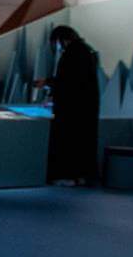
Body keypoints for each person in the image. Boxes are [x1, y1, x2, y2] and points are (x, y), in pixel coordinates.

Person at [40, 26, 101, 186]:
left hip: (70, 111)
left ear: (62, 39)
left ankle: (66, 176)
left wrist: (47, 83)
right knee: (83, 143)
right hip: (86, 109)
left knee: (66, 142)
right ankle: (81, 176)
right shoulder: (87, 51)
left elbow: (67, 81)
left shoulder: (72, 54)